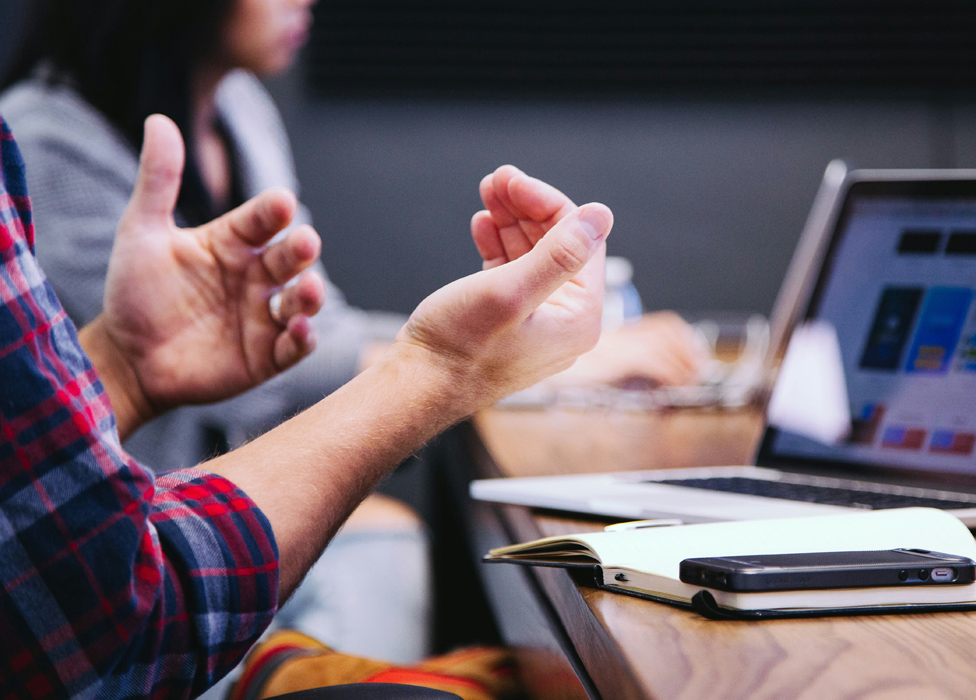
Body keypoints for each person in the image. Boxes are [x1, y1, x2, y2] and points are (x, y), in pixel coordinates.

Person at [0, 0, 705, 665]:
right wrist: (476, 360)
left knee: (395, 546)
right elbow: (261, 385)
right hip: (131, 569)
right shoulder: (43, 142)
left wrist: (127, 366)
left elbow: (305, 332)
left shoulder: (238, 108)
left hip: (197, 526)